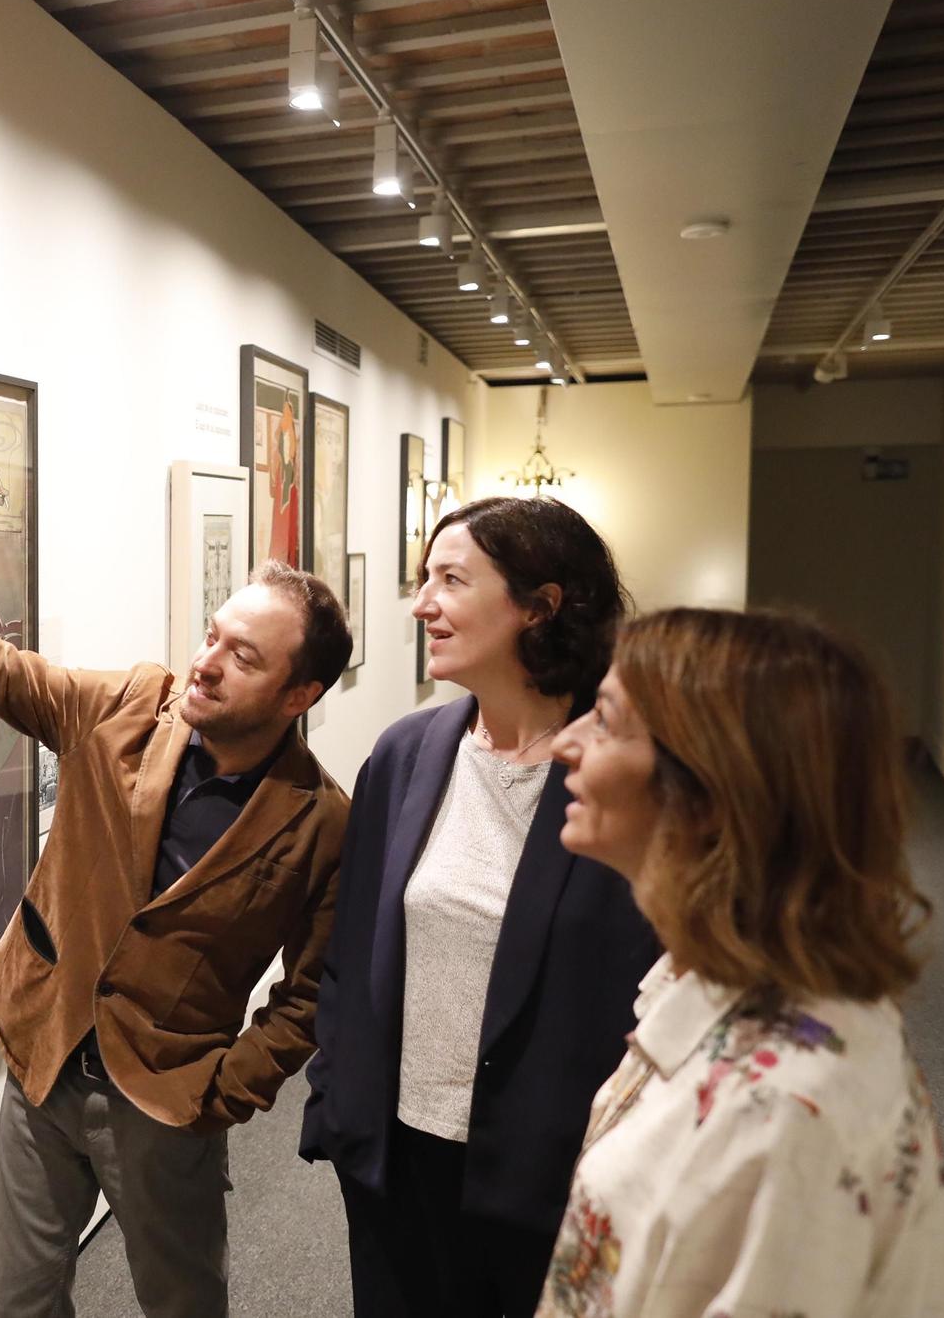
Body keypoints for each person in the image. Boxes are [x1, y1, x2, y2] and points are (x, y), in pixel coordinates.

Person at [0, 482, 350, 1318]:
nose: (207, 662)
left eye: (244, 657)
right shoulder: (126, 708)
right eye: (212, 634)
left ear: (300, 696)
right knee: (23, 1300)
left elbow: (314, 991)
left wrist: (227, 1087)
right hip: (43, 1056)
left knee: (183, 1302)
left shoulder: (318, 820)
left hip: (166, 1099)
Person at [297, 495, 658, 1316]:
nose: (422, 603)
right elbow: (350, 953)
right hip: (398, 1156)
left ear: (541, 604)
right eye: (425, 579)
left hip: (549, 1174)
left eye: (451, 580)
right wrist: (339, 1100)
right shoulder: (407, 752)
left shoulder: (618, 773)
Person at [536, 608, 944, 1316]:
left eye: (602, 720)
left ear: (708, 792)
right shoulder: (721, 986)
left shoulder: (783, 1115)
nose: (563, 744)